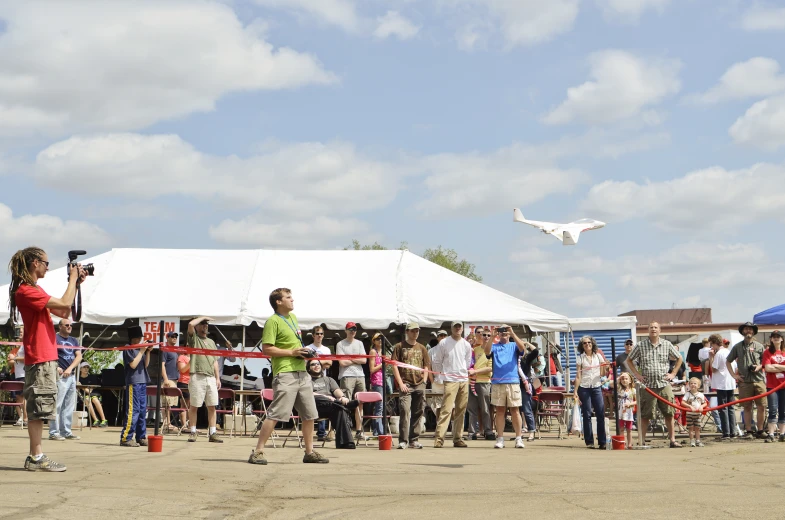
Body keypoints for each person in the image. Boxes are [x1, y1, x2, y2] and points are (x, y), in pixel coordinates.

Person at [9, 246, 86, 471]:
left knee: (42, 408)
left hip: (45, 357)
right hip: (40, 357)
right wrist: (72, 279)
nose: (47, 267)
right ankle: (36, 456)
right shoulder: (26, 291)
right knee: (39, 408)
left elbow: (64, 312)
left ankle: (36, 455)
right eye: (45, 263)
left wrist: (75, 284)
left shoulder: (34, 290)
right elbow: (63, 305)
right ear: (35, 263)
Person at [249, 288, 327, 465]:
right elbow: (267, 349)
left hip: (302, 372)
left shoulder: (292, 318)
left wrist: (304, 352)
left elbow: (293, 345)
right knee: (276, 413)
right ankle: (258, 451)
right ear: (278, 302)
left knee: (309, 414)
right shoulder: (272, 321)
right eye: (288, 297)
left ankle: (309, 452)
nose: (293, 300)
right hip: (285, 373)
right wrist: (292, 352)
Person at [626, 322, 683, 448]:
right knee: (645, 414)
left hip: (664, 384)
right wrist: (637, 374)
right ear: (648, 330)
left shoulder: (667, 344)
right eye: (651, 327)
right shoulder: (641, 345)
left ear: (660, 330)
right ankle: (642, 440)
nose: (653, 329)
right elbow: (628, 360)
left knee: (669, 413)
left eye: (656, 327)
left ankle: (672, 440)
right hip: (647, 385)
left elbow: (679, 358)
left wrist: (673, 373)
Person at [483, 324, 529, 449]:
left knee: (515, 411)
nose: (504, 333)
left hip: (512, 381)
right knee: (500, 411)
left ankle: (519, 438)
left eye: (505, 331)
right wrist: (492, 337)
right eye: (501, 331)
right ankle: (500, 438)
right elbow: (486, 351)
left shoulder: (513, 345)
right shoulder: (494, 346)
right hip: (498, 382)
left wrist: (512, 333)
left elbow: (523, 349)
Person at [431, 321, 472, 448]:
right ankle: (439, 438)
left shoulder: (466, 344)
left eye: (459, 326)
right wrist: (439, 376)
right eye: (456, 326)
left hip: (463, 379)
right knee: (446, 409)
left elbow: (467, 362)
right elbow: (437, 361)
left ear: (462, 329)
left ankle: (458, 438)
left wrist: (463, 373)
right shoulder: (444, 342)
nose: (458, 328)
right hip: (449, 379)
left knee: (461, 409)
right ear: (451, 328)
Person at [391, 322, 431, 450]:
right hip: (406, 384)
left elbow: (426, 365)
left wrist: (424, 381)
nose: (415, 333)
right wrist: (400, 383)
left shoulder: (422, 348)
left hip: (419, 383)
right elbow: (394, 365)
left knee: (418, 412)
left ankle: (414, 439)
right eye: (413, 331)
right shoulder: (399, 346)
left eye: (417, 331)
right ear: (407, 332)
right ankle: (403, 440)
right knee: (404, 409)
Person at [726, 322, 767, 439]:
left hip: (759, 380)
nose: (748, 331)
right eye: (746, 329)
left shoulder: (759, 346)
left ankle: (760, 430)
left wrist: (758, 367)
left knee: (761, 407)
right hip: (744, 381)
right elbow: (728, 361)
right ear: (743, 332)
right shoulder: (737, 347)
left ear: (753, 332)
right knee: (747, 407)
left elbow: (765, 362)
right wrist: (734, 375)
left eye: (750, 329)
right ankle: (748, 431)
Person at [186, 317, 223, 444]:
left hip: (210, 377)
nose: (205, 326)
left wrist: (217, 378)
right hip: (197, 375)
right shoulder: (194, 339)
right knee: (194, 405)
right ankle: (192, 431)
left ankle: (213, 432)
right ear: (197, 326)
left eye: (206, 324)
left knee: (212, 405)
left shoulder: (211, 342)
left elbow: (215, 362)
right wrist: (202, 317)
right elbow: (190, 324)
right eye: (202, 324)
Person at [307, 359, 358, 449]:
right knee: (321, 399)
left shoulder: (329, 379)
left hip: (330, 407)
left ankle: (346, 443)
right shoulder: (306, 380)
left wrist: (342, 397)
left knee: (340, 411)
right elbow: (308, 393)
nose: (316, 365)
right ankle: (343, 405)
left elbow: (336, 390)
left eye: (318, 364)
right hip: (315, 407)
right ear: (309, 368)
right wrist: (327, 397)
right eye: (313, 364)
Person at [49, 317, 82, 441]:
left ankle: (66, 431)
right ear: (60, 326)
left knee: (69, 405)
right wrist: (56, 366)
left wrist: (70, 368)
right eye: (66, 325)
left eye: (70, 325)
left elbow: (78, 356)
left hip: (71, 376)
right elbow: (49, 354)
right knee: (57, 405)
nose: (69, 327)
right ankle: (53, 432)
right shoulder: (54, 338)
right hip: (60, 376)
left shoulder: (74, 340)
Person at [573, 335, 607, 449]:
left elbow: (602, 374)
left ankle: (602, 441)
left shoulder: (598, 356)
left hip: (596, 386)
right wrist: (575, 391)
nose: (587, 344)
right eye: (584, 343)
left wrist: (605, 367)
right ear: (582, 346)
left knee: (600, 413)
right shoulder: (580, 358)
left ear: (592, 344)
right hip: (584, 387)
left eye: (589, 342)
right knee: (586, 414)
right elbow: (578, 376)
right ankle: (589, 441)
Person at [336, 321, 368, 442]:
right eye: (350, 329)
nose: (352, 331)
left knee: (360, 403)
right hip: (346, 375)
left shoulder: (360, 343)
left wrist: (349, 358)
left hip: (360, 375)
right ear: (346, 330)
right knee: (346, 402)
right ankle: (347, 428)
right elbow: (342, 363)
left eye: (354, 329)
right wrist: (356, 358)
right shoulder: (340, 344)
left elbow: (364, 361)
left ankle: (359, 430)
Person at [120, 326, 151, 447]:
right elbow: (133, 365)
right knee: (133, 411)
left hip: (143, 381)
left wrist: (147, 352)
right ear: (133, 338)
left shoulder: (139, 349)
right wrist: (142, 351)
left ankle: (141, 436)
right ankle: (126, 437)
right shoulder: (128, 348)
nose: (140, 340)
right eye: (138, 338)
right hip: (134, 382)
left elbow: (146, 365)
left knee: (143, 411)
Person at [708, 334, 738, 440]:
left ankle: (726, 432)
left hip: (721, 383)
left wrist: (711, 357)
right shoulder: (729, 351)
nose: (712, 347)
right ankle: (733, 431)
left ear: (714, 343)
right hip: (730, 382)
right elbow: (734, 367)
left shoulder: (719, 354)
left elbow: (714, 369)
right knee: (731, 408)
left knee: (723, 408)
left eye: (712, 344)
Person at [468, 327, 494, 441]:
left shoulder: (493, 350)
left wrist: (476, 372)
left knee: (485, 409)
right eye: (484, 335)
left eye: (488, 335)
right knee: (472, 409)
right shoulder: (475, 349)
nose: (486, 337)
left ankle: (488, 431)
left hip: (484, 382)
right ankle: (472, 432)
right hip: (472, 381)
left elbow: (490, 368)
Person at [307, 325, 332, 441]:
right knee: (312, 403)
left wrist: (316, 362)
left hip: (323, 379)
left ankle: (321, 433)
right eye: (317, 333)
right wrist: (322, 363)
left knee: (324, 400)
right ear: (313, 335)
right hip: (310, 379)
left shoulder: (326, 349)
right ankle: (310, 432)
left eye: (321, 333)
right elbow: (306, 364)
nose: (319, 336)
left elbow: (330, 363)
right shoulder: (307, 348)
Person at [762, 330, 785, 442]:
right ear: (771, 339)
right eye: (774, 336)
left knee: (783, 410)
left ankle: (782, 434)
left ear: (782, 339)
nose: (776, 338)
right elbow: (767, 368)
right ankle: (771, 434)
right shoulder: (767, 352)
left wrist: (774, 365)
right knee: (772, 409)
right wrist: (782, 367)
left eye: (778, 336)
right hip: (772, 386)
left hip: (783, 385)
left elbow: (771, 367)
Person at [518, 342, 540, 442]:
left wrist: (526, 343)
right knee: (516, 411)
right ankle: (519, 433)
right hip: (513, 385)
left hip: (524, 386)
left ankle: (531, 431)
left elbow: (535, 351)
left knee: (527, 409)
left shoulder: (526, 359)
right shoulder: (512, 358)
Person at [161, 331, 182, 430]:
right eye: (172, 336)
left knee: (171, 403)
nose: (174, 338)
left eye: (175, 337)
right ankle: (167, 423)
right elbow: (162, 365)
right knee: (166, 403)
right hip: (168, 379)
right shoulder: (165, 349)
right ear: (167, 338)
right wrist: (165, 379)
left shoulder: (175, 350)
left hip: (174, 379)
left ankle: (168, 423)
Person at [6, 326, 27, 426]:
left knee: (24, 397)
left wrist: (15, 358)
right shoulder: (15, 347)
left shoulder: (27, 344)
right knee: (18, 397)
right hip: (17, 374)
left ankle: (26, 418)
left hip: (25, 374)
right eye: (18, 332)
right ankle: (21, 418)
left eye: (21, 331)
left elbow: (29, 359)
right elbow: (10, 362)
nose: (19, 333)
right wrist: (14, 359)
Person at [78, 362, 108, 427]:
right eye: (84, 367)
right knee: (87, 399)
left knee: (95, 399)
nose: (86, 369)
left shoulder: (92, 377)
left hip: (94, 394)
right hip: (83, 397)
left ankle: (104, 420)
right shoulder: (78, 379)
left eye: (87, 367)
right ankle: (96, 420)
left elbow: (89, 391)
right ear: (80, 369)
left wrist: (82, 387)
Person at [682, 377, 707, 447]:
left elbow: (705, 403)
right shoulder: (687, 394)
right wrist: (689, 407)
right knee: (690, 428)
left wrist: (701, 407)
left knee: (698, 427)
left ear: (698, 386)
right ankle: (692, 440)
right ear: (689, 385)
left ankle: (698, 440)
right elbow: (682, 402)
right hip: (689, 414)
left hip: (697, 414)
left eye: (695, 383)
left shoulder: (701, 395)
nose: (693, 385)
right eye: (691, 383)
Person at [369, 332, 385, 437]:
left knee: (381, 407)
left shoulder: (382, 352)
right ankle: (380, 431)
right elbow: (372, 369)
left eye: (381, 339)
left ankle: (376, 430)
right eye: (377, 339)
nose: (380, 340)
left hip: (383, 381)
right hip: (377, 381)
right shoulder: (373, 352)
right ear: (374, 341)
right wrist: (382, 364)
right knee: (379, 407)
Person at [617, 372, 636, 449]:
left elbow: (637, 400)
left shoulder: (633, 390)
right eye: (622, 379)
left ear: (630, 380)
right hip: (621, 410)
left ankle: (630, 444)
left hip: (629, 411)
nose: (624, 380)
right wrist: (619, 377)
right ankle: (622, 443)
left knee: (629, 429)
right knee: (621, 428)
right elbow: (612, 383)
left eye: (626, 379)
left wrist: (631, 404)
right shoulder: (619, 388)